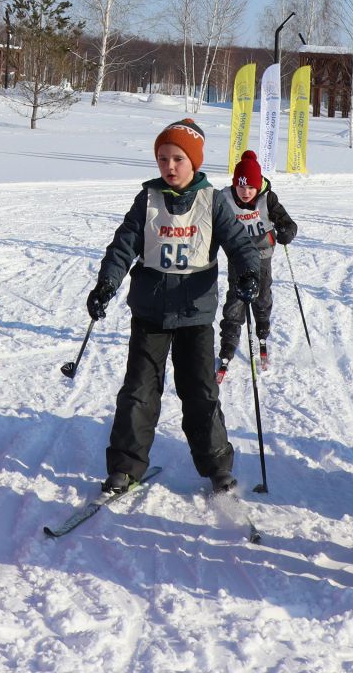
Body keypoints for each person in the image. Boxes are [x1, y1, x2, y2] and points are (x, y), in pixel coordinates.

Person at [86, 118, 262, 496]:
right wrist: (106, 284)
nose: (169, 166)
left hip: (195, 315)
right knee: (139, 391)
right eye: (163, 158)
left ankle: (218, 468)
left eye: (178, 158)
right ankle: (124, 467)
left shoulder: (213, 201)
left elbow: (241, 246)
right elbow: (122, 247)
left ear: (193, 162)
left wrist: (247, 274)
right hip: (150, 312)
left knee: (200, 393)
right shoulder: (147, 200)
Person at [216, 148, 298, 382]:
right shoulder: (224, 198)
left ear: (258, 185)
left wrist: (286, 232)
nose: (245, 192)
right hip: (238, 256)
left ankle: (262, 329)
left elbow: (288, 223)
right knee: (236, 298)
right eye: (241, 186)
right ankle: (228, 345)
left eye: (250, 187)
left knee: (262, 295)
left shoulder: (267, 198)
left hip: (262, 254)